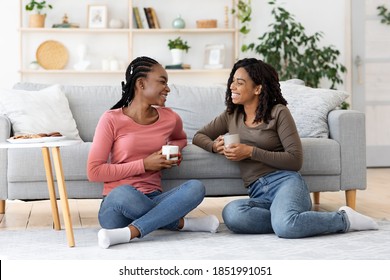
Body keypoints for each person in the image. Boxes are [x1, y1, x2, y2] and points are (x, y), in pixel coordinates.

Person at [192, 58, 378, 238]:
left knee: (285, 227)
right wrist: (214, 147)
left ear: (257, 88)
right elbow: (199, 136)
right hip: (258, 192)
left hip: (285, 183)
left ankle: (344, 219)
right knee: (232, 214)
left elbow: (295, 159)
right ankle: (289, 219)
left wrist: (250, 151)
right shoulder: (231, 115)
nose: (232, 87)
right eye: (232, 82)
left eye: (239, 83)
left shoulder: (278, 112)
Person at [87, 56, 219, 249]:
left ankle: (130, 232)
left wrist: (174, 152)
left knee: (196, 188)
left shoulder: (170, 117)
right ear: (141, 84)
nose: (168, 89)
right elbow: (94, 171)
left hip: (154, 197)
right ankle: (182, 223)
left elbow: (180, 139)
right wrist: (144, 164)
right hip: (117, 207)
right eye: (162, 82)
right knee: (123, 192)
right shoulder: (111, 119)